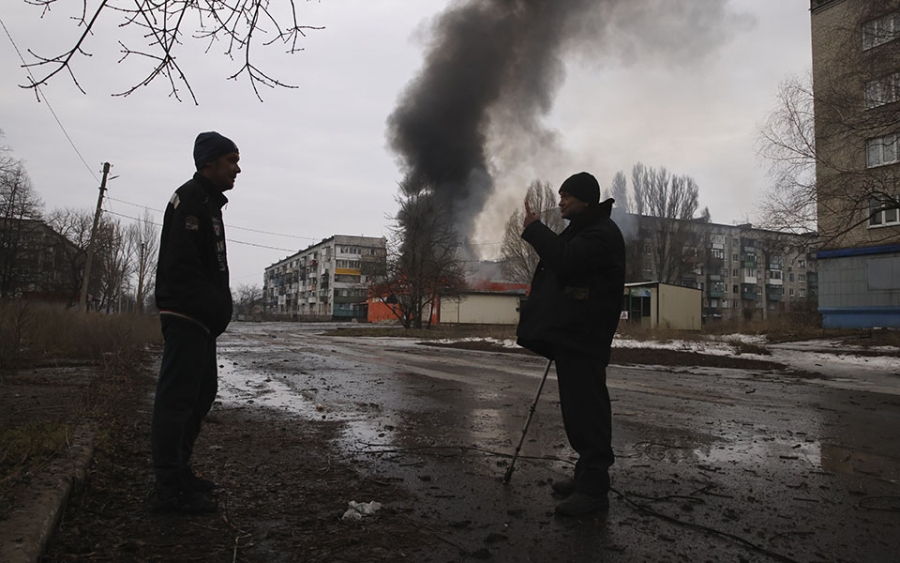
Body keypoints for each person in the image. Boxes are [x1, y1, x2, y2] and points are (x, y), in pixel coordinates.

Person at [516, 171, 625, 517]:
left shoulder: (600, 233)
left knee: (587, 411)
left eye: (566, 196)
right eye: (560, 195)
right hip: (574, 333)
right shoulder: (585, 228)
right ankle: (585, 477)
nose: (560, 201)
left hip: (585, 335)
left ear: (586, 200)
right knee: (577, 410)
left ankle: (594, 491)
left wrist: (534, 229)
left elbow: (566, 260)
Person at [151, 131, 240, 513]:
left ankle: (180, 473)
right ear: (209, 162)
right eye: (231, 161)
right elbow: (183, 266)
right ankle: (168, 492)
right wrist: (210, 306)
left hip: (199, 321)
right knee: (176, 401)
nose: (238, 169)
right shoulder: (191, 200)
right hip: (188, 317)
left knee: (200, 394)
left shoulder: (206, 203)